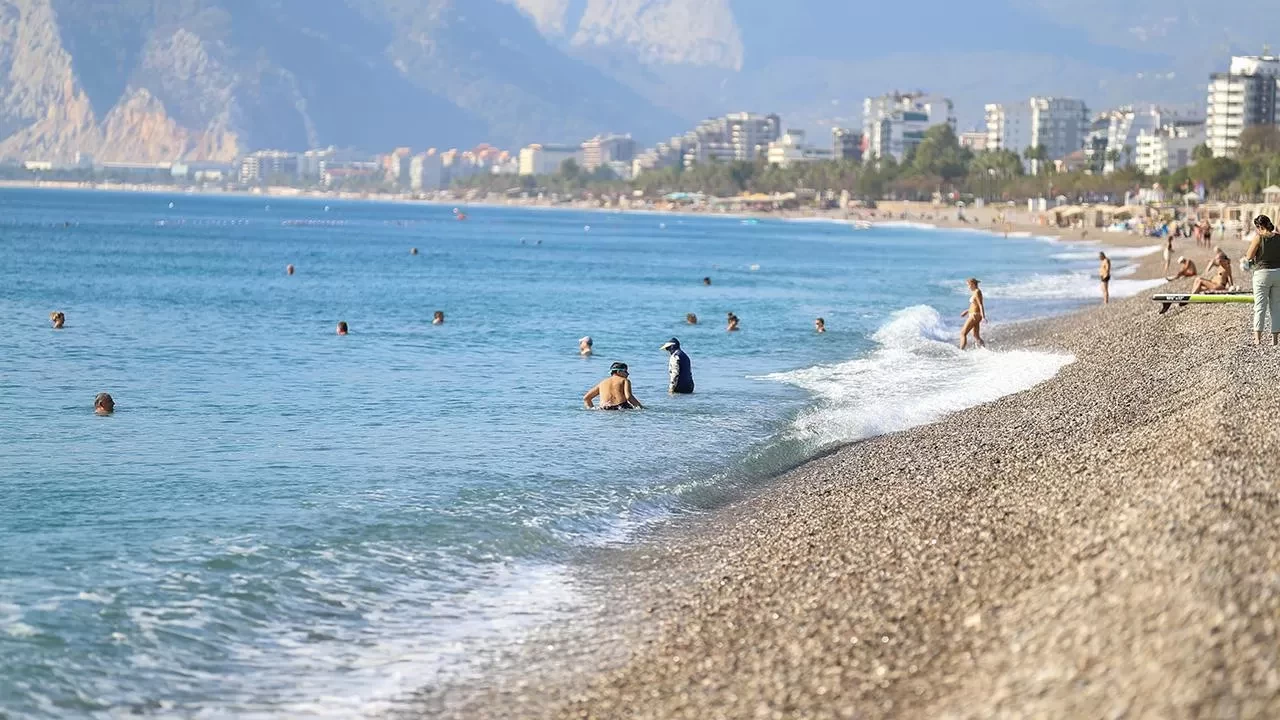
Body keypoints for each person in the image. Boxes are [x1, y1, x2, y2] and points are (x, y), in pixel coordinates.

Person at [1244, 214, 1280, 346]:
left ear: (1259, 226)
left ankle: (1258, 339)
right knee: (1276, 306)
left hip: (1262, 274)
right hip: (1278, 273)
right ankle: (1274, 340)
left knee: (1260, 307)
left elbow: (1249, 256)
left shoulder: (1259, 238)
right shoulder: (1278, 237)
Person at [960, 278, 986, 350]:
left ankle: (961, 351)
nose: (968, 287)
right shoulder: (975, 292)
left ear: (973, 284)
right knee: (976, 335)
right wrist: (967, 311)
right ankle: (984, 350)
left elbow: (980, 305)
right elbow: (975, 305)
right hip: (974, 314)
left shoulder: (977, 292)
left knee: (963, 333)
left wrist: (983, 317)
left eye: (969, 285)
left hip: (974, 315)